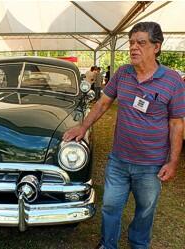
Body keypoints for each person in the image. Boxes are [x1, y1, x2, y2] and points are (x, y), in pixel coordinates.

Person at [63, 22, 185, 249]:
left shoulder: (172, 80)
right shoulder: (123, 73)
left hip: (151, 165)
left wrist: (173, 161)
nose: (134, 47)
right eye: (131, 43)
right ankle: (108, 245)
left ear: (156, 47)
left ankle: (138, 245)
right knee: (110, 206)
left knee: (145, 211)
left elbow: (177, 123)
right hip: (119, 160)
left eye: (141, 42)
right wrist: (83, 127)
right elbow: (102, 104)